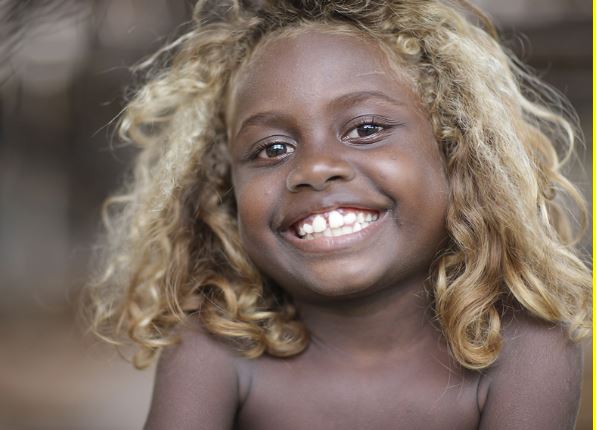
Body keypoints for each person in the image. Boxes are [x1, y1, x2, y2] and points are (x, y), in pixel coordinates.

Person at [85, 1, 592, 428]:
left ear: (457, 157)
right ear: (223, 196)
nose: (316, 168)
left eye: (366, 129)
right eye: (272, 147)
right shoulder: (213, 347)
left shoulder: (530, 347)